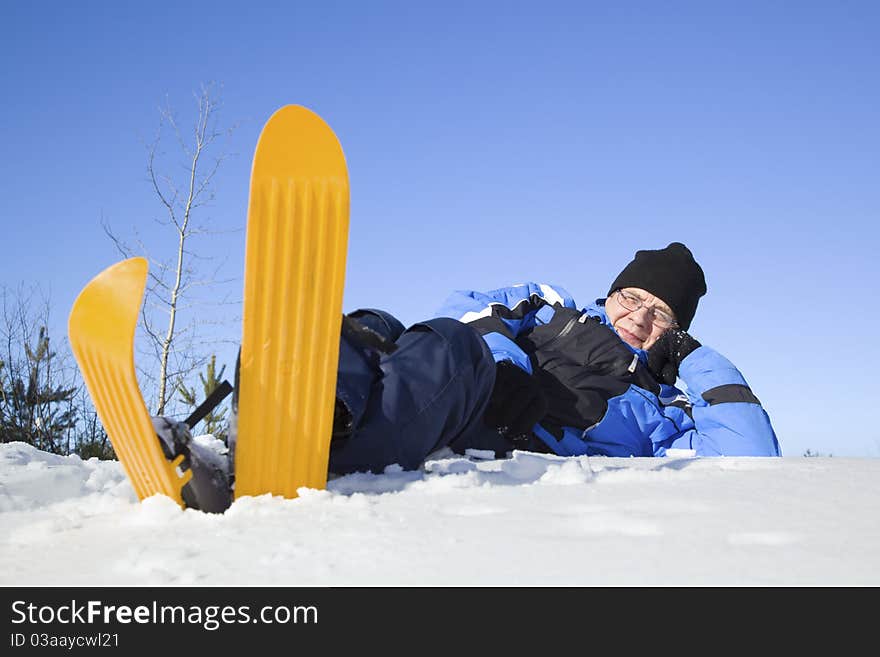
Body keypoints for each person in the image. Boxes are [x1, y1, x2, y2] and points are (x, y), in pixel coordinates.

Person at [328, 242, 780, 475]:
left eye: (660, 313)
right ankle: (300, 398)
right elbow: (475, 309)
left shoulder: (666, 409)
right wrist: (507, 367)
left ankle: (330, 449)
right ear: (611, 293)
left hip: (505, 440)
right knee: (379, 326)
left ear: (676, 331)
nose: (639, 317)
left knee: (452, 345)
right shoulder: (550, 306)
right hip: (462, 388)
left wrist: (698, 360)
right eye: (632, 296)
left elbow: (746, 466)